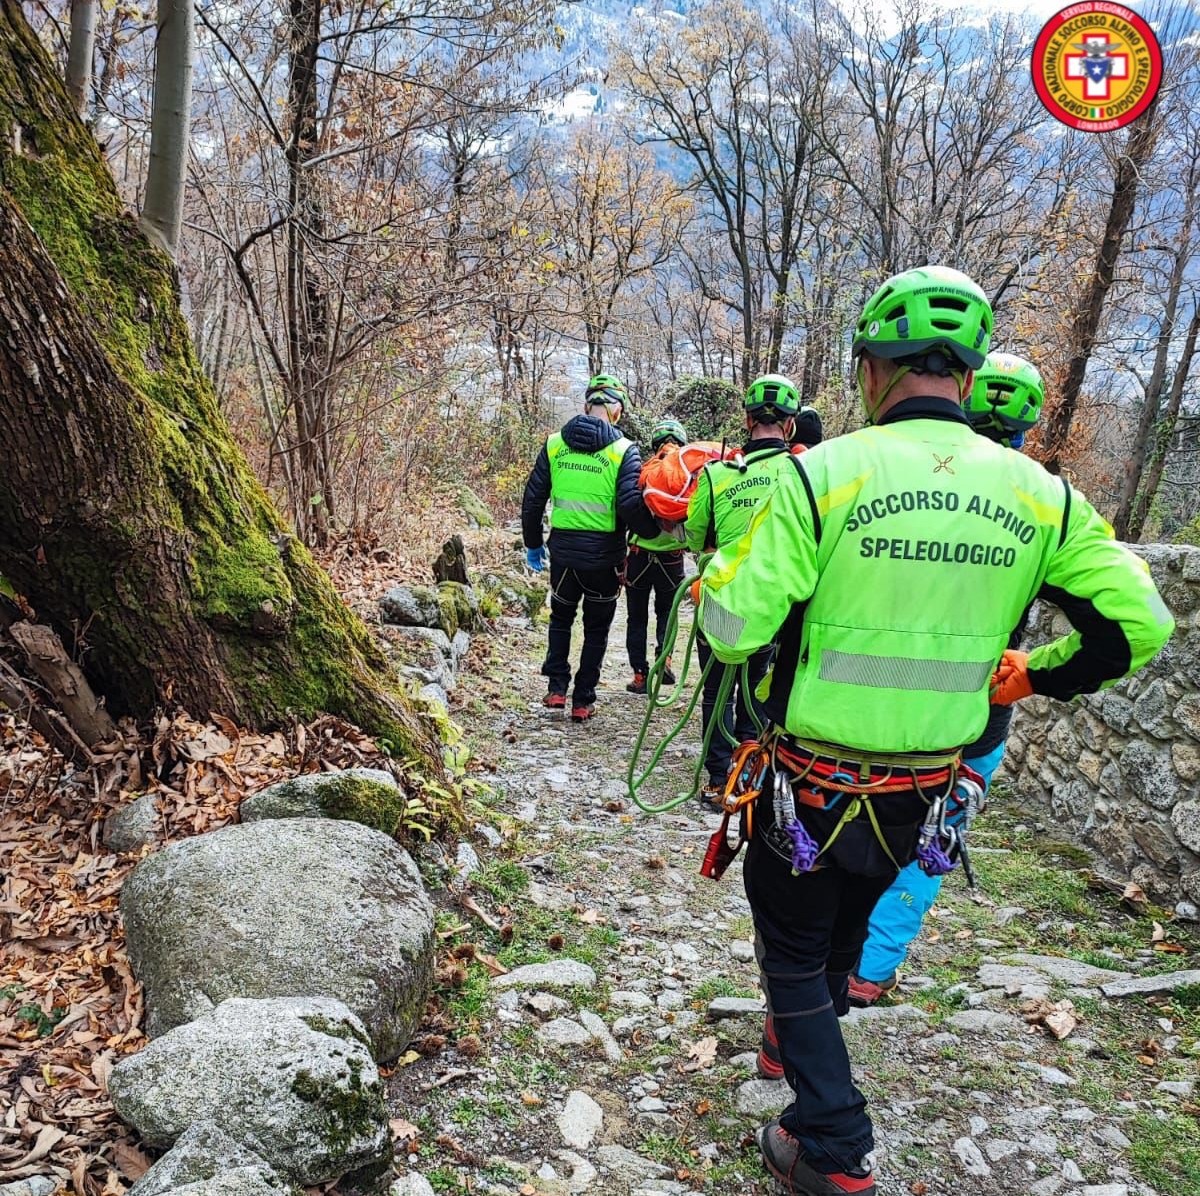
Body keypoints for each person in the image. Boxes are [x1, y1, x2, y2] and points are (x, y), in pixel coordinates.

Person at [695, 266, 1174, 1196]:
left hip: (813, 779)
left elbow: (733, 627)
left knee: (793, 950)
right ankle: (801, 1045)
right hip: (927, 789)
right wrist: (1039, 674)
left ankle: (832, 1143)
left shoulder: (820, 475)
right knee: (838, 941)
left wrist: (716, 580)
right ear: (967, 372)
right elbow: (1141, 622)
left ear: (873, 370)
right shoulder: (1042, 496)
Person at [845, 351, 1046, 1008]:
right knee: (935, 835)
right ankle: (871, 969)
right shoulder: (1038, 502)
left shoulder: (898, 481)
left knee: (853, 821)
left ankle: (830, 959)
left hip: (879, 700)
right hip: (981, 711)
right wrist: (1039, 670)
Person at [685, 375, 802, 801]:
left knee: (717, 692)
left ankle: (717, 779)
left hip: (720, 597)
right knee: (759, 692)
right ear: (789, 425)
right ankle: (749, 775)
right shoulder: (804, 473)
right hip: (776, 605)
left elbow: (695, 538)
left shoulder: (716, 474)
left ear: (748, 420)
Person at [522, 374, 659, 722]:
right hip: (604, 560)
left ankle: (555, 689)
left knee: (561, 619)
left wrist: (534, 544)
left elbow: (533, 498)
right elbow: (630, 504)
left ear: (586, 406)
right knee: (596, 630)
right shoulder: (623, 450)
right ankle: (583, 700)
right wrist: (654, 531)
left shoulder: (554, 444)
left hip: (563, 556)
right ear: (617, 411)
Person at [626, 418, 689, 694]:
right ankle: (665, 662)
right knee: (667, 613)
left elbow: (627, 507)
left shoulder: (644, 470)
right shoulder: (688, 474)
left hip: (640, 554)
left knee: (636, 616)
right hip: (672, 558)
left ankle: (640, 676)